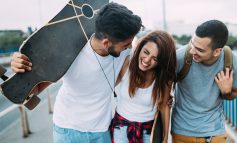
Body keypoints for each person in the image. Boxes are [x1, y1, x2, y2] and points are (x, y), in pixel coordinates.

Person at [10, 2, 142, 143]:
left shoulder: (125, 53)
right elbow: (35, 88)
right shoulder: (69, 52)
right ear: (106, 43)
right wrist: (20, 67)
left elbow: (133, 66)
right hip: (67, 130)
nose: (129, 46)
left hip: (101, 131)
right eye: (126, 44)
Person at [171, 20, 237, 143]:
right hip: (182, 131)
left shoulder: (232, 62)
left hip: (214, 132)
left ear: (217, 51)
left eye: (199, 49)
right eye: (192, 44)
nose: (192, 51)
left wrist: (226, 92)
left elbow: (234, 94)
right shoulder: (180, 57)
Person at [110, 30, 176, 143]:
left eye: (155, 59)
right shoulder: (127, 63)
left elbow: (164, 106)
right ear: (140, 47)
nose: (147, 60)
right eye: (146, 52)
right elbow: (106, 86)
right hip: (121, 128)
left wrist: (165, 137)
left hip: (148, 132)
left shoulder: (163, 77)